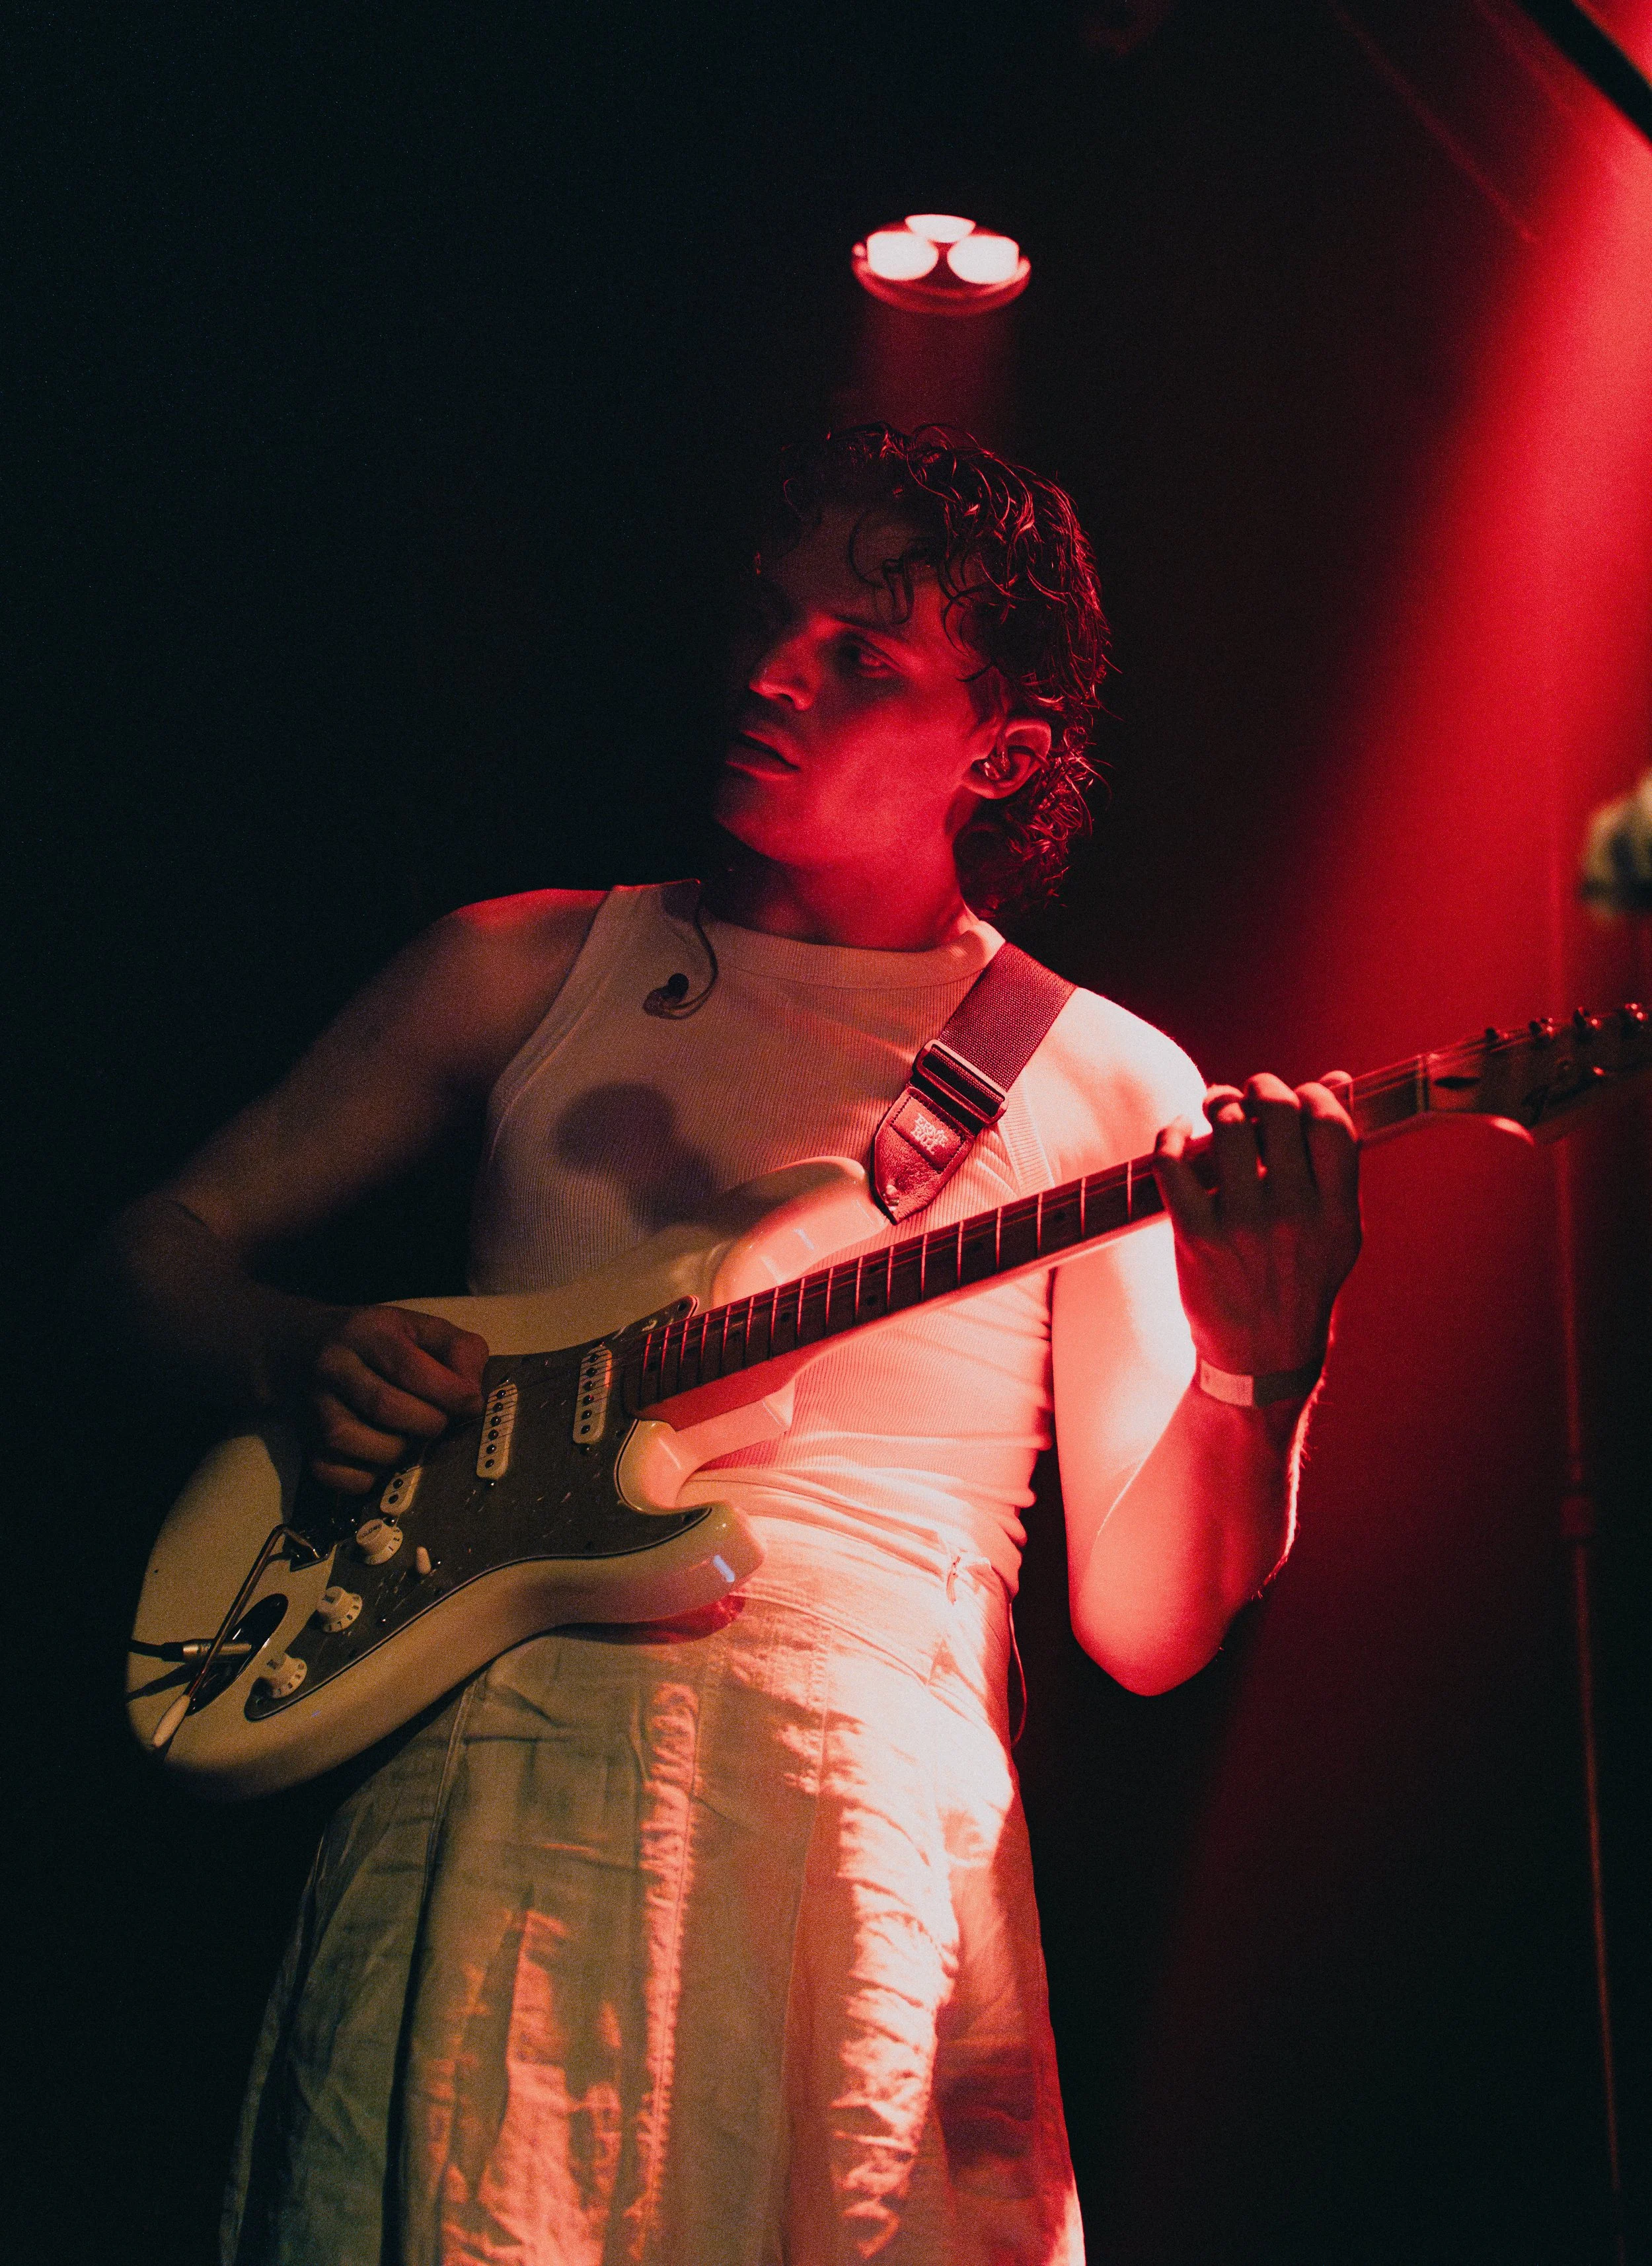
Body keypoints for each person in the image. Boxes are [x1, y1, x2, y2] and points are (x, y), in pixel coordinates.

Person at [100, 426, 1362, 2265]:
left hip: (857, 1847)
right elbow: (145, 1255)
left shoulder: (1098, 1074)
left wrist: (1262, 1373)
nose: (775, 671)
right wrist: (298, 1350)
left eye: (865, 657)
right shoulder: (529, 965)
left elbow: (1148, 1621)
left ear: (998, 749)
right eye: (777, 617)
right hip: (495, 1795)